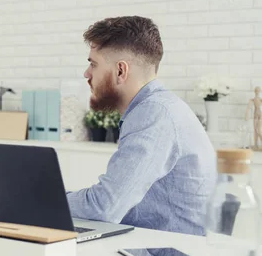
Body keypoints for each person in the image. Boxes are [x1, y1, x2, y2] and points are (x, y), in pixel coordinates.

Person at [66, 16, 216, 235]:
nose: (86, 74)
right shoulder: (159, 107)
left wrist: (45, 199)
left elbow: (105, 206)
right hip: (153, 247)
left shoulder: (154, 114)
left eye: (93, 64)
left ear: (120, 71)